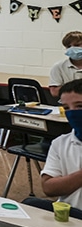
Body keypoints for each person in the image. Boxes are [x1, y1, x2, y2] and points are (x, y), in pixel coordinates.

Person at [41, 79, 82, 208]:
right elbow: (49, 188)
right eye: (66, 108)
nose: (73, 113)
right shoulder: (60, 143)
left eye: (80, 106)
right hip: (69, 216)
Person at [49, 31, 82, 98]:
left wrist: (65, 88)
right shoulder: (58, 67)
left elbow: (59, 90)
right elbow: (54, 92)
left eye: (77, 45)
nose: (72, 48)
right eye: (69, 46)